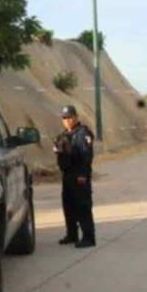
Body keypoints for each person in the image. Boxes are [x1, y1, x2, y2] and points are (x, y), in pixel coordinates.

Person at [53, 105, 96, 248]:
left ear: (76, 117)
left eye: (69, 117)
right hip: (67, 174)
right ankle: (72, 234)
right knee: (68, 206)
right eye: (64, 118)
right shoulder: (64, 135)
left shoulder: (83, 133)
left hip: (79, 175)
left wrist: (83, 174)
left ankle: (88, 237)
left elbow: (86, 155)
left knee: (83, 206)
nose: (67, 120)